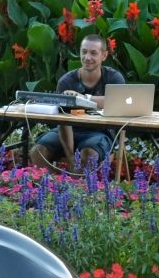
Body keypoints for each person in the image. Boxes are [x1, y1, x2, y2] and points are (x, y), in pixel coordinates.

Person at [28, 32, 126, 173]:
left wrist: (83, 98)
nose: (87, 57)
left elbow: (118, 102)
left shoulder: (114, 78)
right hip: (68, 130)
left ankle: (78, 189)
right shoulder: (66, 81)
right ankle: (57, 186)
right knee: (37, 152)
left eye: (93, 53)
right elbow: (63, 120)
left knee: (89, 155)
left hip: (99, 132)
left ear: (104, 56)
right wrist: (71, 157)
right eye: (84, 52)